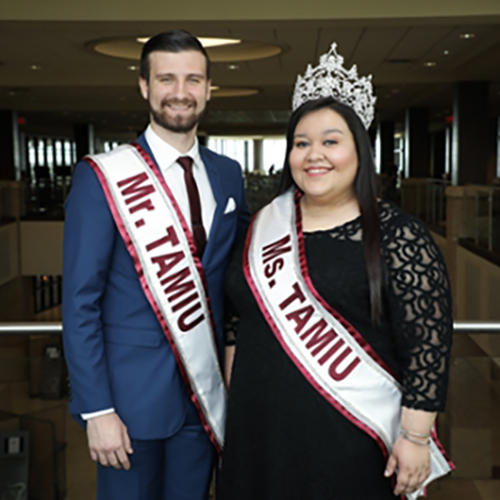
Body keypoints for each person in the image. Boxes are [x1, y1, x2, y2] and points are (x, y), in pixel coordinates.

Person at [218, 44, 454, 500]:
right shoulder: (265, 225)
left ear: (358, 150)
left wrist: (416, 438)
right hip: (258, 438)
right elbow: (237, 322)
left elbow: (429, 347)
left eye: (330, 141)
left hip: (350, 439)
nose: (313, 155)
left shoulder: (399, 235)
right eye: (301, 143)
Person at [63, 30, 249, 500]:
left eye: (193, 79)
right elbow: (80, 302)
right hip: (126, 405)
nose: (180, 92)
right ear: (145, 86)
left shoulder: (228, 175)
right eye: (166, 79)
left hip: (202, 398)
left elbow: (233, 280)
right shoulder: (101, 176)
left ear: (208, 88)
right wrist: (96, 409)